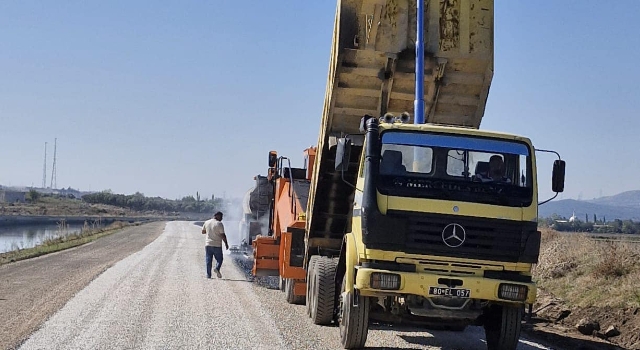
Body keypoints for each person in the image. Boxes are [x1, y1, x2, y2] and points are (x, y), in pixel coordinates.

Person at [201, 211, 229, 278]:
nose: (222, 218)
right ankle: (217, 268)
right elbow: (223, 235)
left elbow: (203, 231)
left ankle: (208, 275)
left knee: (208, 260)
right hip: (217, 245)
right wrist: (226, 244)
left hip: (208, 244)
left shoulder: (207, 222)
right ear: (217, 216)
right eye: (221, 216)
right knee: (220, 259)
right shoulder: (219, 224)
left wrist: (209, 231)